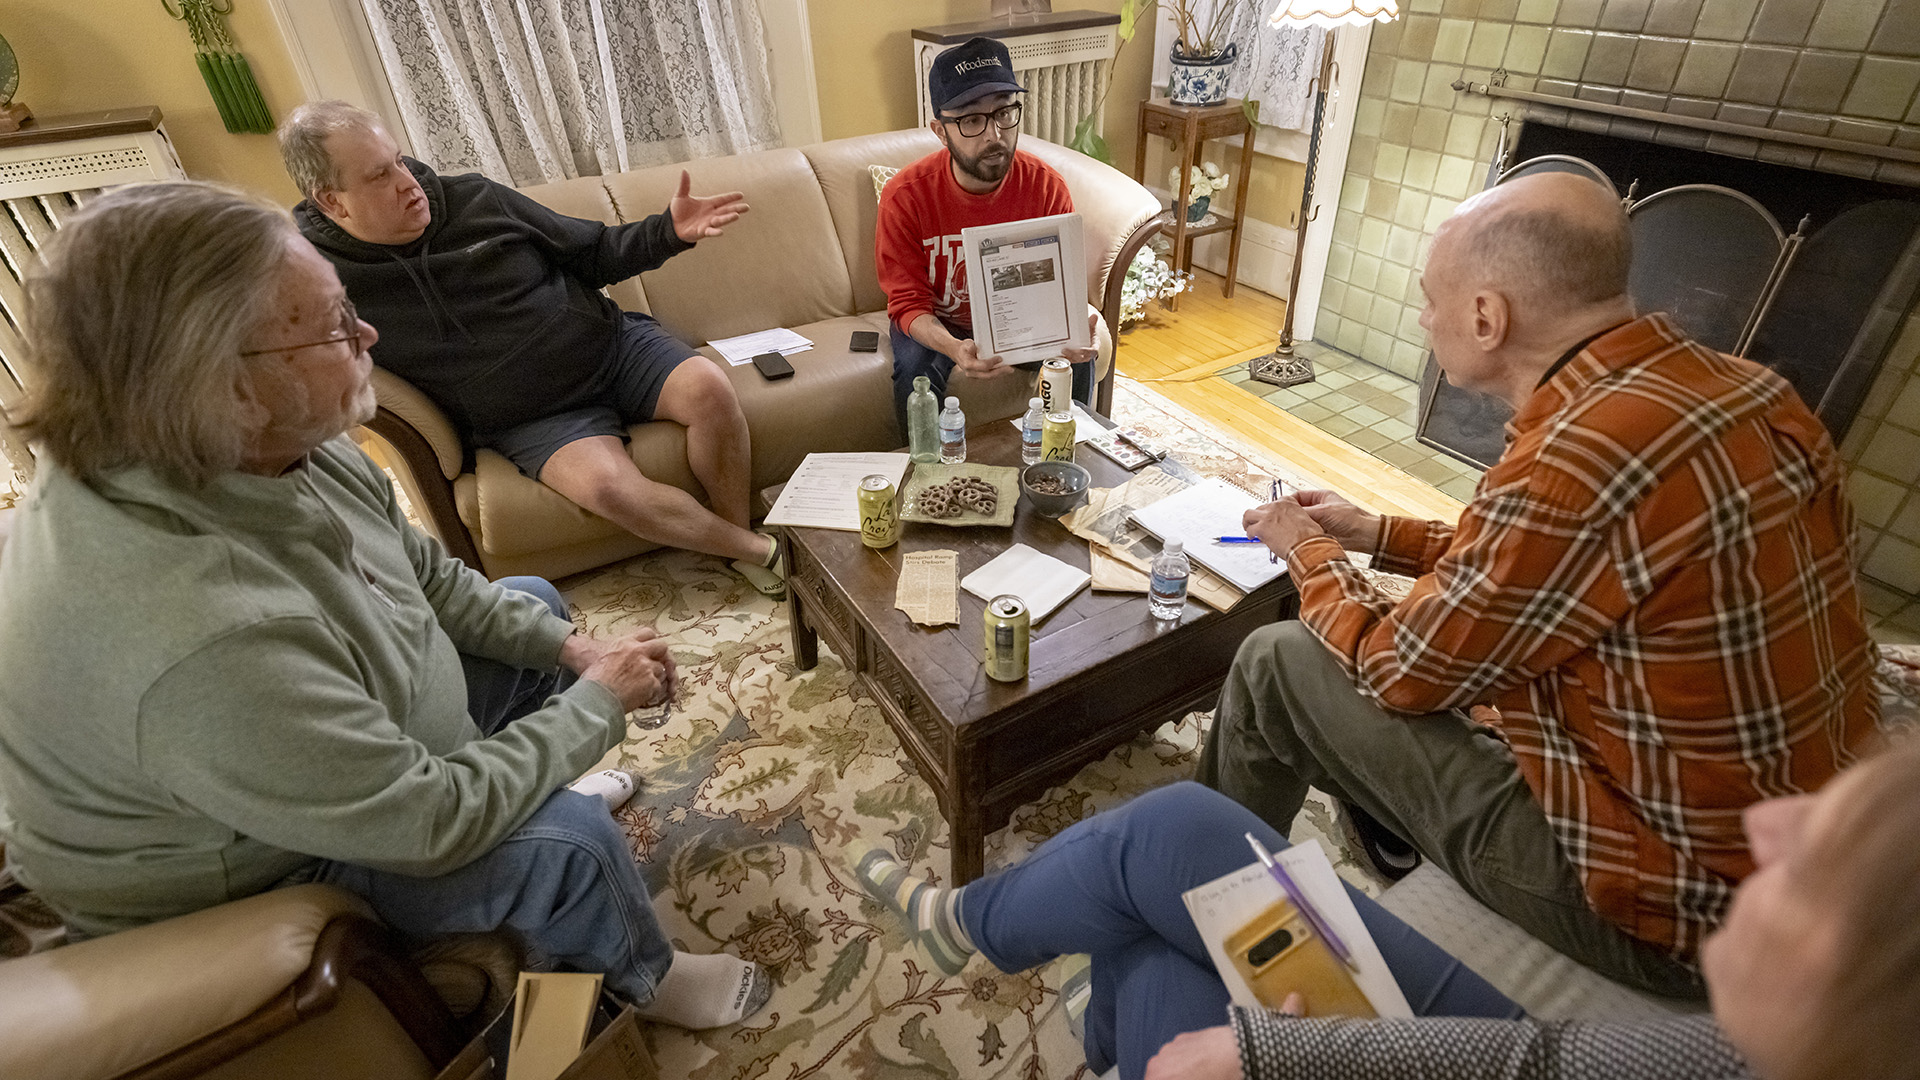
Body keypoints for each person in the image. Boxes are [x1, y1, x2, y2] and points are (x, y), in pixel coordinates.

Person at [0, 182, 770, 1031]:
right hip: (262, 865)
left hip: (312, 753)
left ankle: (544, 785)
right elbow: (430, 819)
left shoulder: (269, 446)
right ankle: (648, 978)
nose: (367, 334)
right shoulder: (192, 631)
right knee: (570, 844)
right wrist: (597, 704)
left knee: (532, 608)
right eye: (334, 324)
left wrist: (574, 656)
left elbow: (430, 583)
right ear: (224, 387)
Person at [1197, 172, 1880, 999]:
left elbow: (1397, 670)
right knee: (1391, 635)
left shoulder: (1571, 461)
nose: (1423, 319)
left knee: (1280, 661)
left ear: (1487, 318)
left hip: (1676, 917)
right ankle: (1389, 822)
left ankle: (1207, 910)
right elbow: (1547, 571)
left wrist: (1308, 549)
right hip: (1809, 849)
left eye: (1428, 301)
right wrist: (1376, 534)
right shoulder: (1750, 390)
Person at [853, 738, 1920, 1080]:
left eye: (1829, 859)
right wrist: (1281, 1056)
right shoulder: (1741, 1058)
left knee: (1149, 957)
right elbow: (1540, 1065)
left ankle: (1066, 988)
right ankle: (987, 935)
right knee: (1177, 830)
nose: (1771, 824)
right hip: (1525, 1042)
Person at [278, 101, 785, 597]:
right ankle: (753, 549)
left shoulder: (475, 198)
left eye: (400, 161)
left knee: (710, 390)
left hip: (610, 349)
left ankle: (736, 540)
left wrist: (667, 232)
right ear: (332, 201)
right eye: (378, 176)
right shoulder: (319, 276)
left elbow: (592, 252)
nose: (408, 182)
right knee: (612, 490)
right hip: (529, 416)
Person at [875, 36, 1100, 437]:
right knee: (914, 371)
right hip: (941, 320)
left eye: (1004, 113)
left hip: (1020, 318)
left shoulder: (1045, 188)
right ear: (940, 132)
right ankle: (924, 476)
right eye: (971, 120)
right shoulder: (905, 196)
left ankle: (1070, 459)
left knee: (1074, 359)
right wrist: (953, 348)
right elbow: (907, 303)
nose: (993, 134)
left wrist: (1070, 330)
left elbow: (1061, 289)